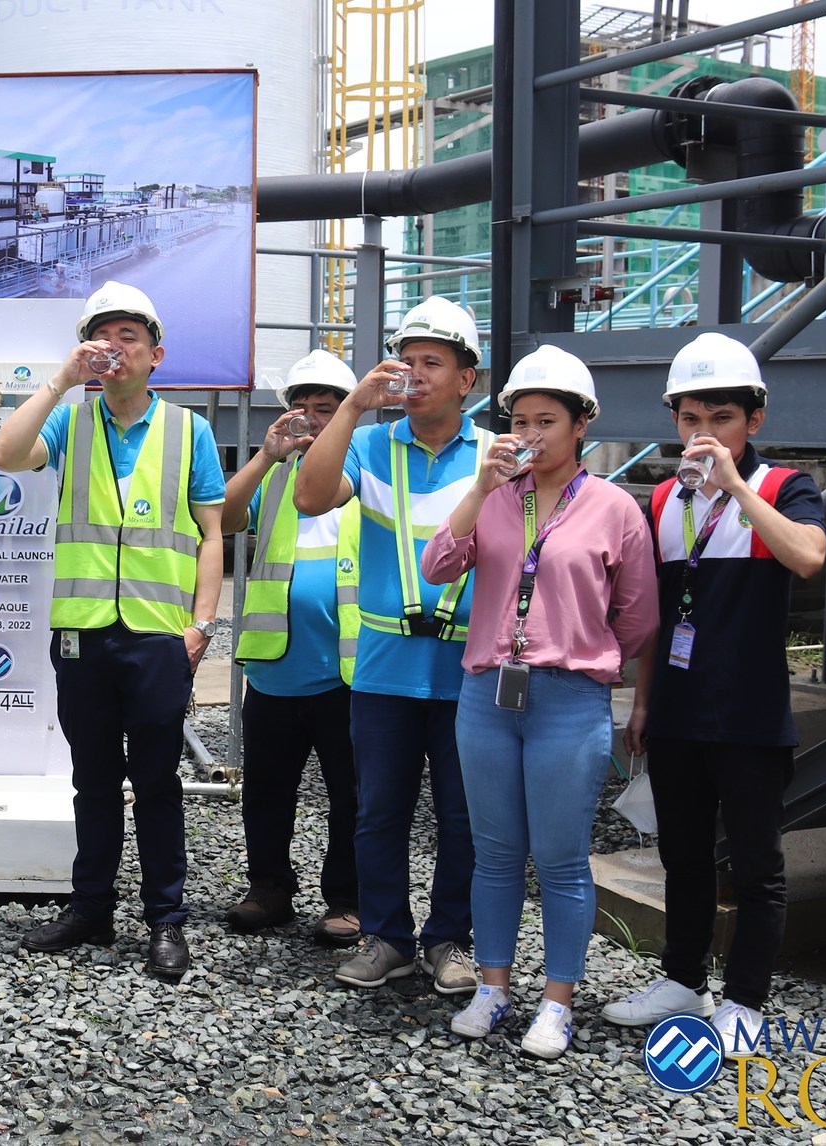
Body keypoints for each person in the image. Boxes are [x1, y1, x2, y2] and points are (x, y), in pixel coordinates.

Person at [420, 346, 658, 1060]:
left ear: (582, 423)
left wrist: (578, 653)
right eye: (520, 419)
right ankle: (493, 987)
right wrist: (477, 486)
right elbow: (437, 567)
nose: (530, 433)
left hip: (568, 699)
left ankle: (557, 1000)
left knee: (560, 858)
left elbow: (638, 616)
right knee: (493, 853)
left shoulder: (615, 508)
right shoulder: (494, 496)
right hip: (487, 694)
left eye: (546, 420)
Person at [0, 282, 225, 983]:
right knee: (91, 781)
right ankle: (91, 908)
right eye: (102, 336)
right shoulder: (72, 420)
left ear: (157, 353)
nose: (115, 348)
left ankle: (166, 920)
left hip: (158, 636)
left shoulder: (190, 430)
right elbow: (4, 454)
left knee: (157, 783)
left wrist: (202, 623)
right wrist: (61, 380)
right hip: (83, 634)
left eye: (129, 337)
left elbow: (213, 535)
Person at [604, 332, 826, 1057]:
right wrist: (641, 704)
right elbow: (656, 617)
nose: (702, 434)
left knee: (758, 864)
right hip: (677, 714)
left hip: (753, 714)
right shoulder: (665, 498)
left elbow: (808, 558)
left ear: (753, 420)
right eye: (689, 418)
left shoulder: (782, 487)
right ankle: (681, 979)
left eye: (720, 418)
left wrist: (733, 486)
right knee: (684, 856)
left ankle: (746, 1000)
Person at [292, 295, 490, 998]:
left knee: (464, 818)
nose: (415, 374)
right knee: (379, 813)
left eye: (432, 362)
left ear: (469, 378)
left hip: (469, 673)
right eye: (407, 361)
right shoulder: (372, 446)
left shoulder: (496, 455)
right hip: (383, 671)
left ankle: (449, 940)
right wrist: (352, 409)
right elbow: (309, 498)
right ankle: (386, 938)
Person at [221, 350, 361, 946]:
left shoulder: (367, 472)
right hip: (277, 667)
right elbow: (221, 518)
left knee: (352, 794)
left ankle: (347, 899)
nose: (309, 420)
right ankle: (269, 888)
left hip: (351, 670)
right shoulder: (275, 472)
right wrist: (262, 456)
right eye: (301, 409)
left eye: (326, 411)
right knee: (268, 790)